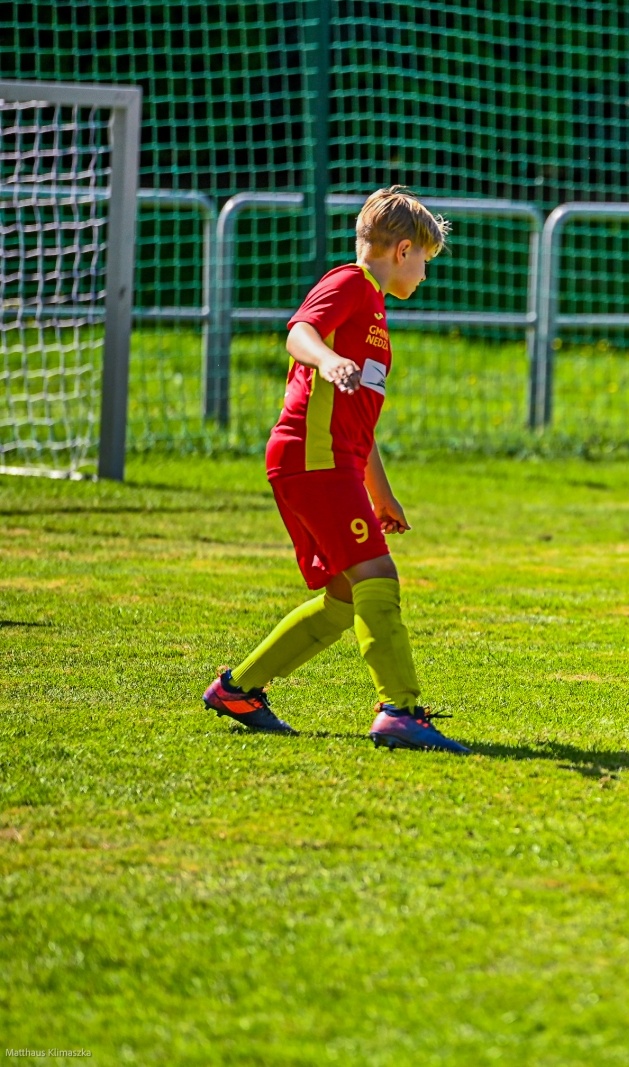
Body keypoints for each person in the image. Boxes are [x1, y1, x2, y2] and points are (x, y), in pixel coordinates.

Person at [202, 186, 475, 750]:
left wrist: (382, 494)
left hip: (330, 462)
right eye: (424, 259)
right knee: (377, 577)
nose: (425, 273)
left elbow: (359, 423)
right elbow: (299, 331)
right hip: (312, 458)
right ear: (403, 250)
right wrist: (327, 359)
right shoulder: (350, 283)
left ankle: (239, 689)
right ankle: (400, 710)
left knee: (345, 597)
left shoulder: (374, 308)